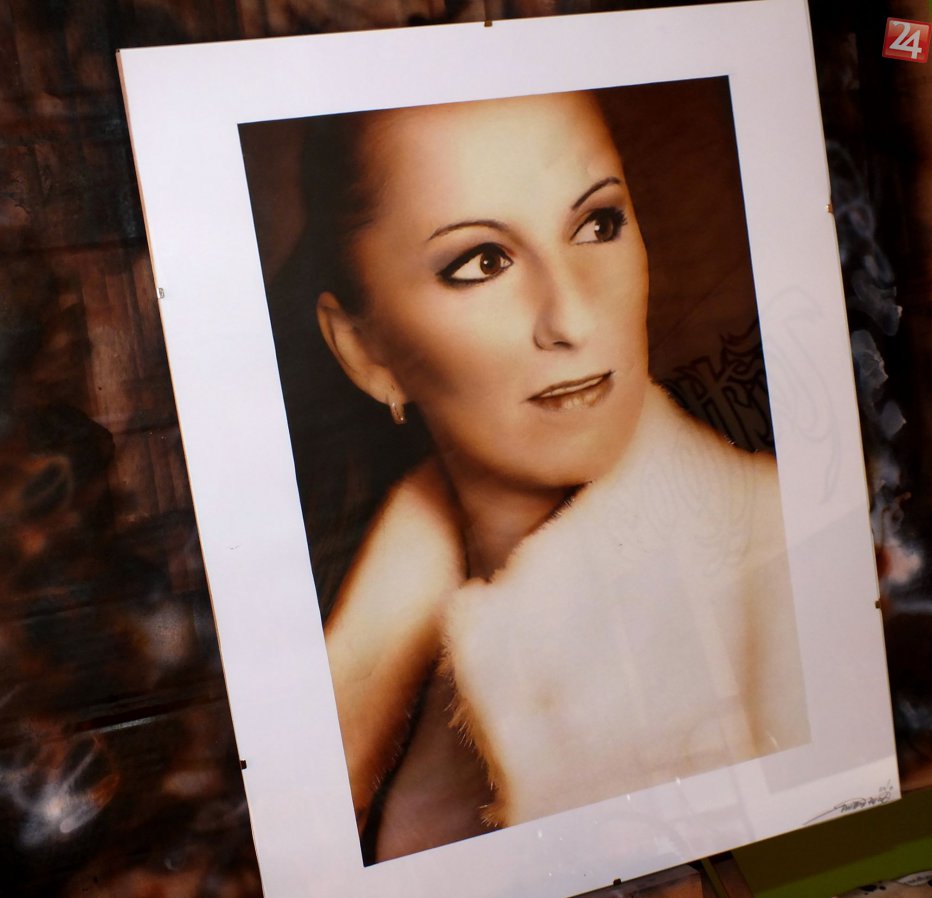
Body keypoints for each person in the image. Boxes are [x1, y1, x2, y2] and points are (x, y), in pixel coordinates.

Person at [272, 90, 808, 862]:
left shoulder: (789, 564)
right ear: (365, 351)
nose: (575, 320)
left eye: (598, 224)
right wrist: (378, 641)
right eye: (482, 262)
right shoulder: (396, 595)